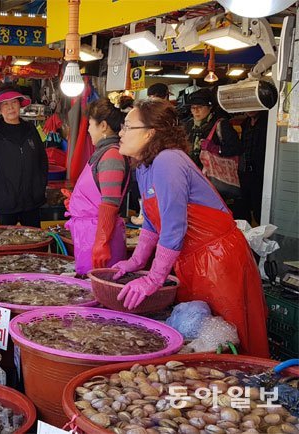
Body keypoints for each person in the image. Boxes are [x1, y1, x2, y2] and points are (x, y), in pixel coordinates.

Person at [112, 98, 269, 358]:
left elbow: (173, 228)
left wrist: (153, 278)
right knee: (196, 333)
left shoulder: (168, 161)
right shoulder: (143, 166)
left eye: (128, 126)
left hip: (218, 259)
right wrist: (136, 261)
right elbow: (153, 222)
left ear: (150, 133)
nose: (121, 132)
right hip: (190, 259)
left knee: (228, 336)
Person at [64, 99, 130, 274]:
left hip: (100, 238)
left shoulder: (112, 156)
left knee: (99, 292)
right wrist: (76, 202)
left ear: (103, 126)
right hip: (88, 236)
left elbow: (110, 203)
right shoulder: (101, 153)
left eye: (91, 124)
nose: (87, 130)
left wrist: (102, 243)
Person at [0, 85, 48, 227]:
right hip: (6, 201)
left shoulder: (31, 129)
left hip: (32, 200)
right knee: (7, 244)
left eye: (14, 102)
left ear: (19, 104)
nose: (10, 107)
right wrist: (0, 185)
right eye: (5, 104)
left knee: (34, 241)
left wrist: (40, 184)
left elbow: (42, 159)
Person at [184, 88, 241, 169]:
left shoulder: (221, 125)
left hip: (213, 175)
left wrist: (217, 149)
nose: (196, 111)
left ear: (210, 107)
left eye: (200, 107)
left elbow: (237, 149)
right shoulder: (188, 125)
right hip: (192, 172)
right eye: (193, 108)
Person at [238, 110, 268, 224]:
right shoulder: (246, 123)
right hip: (245, 172)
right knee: (243, 208)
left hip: (260, 173)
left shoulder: (267, 123)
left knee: (259, 209)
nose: (250, 110)